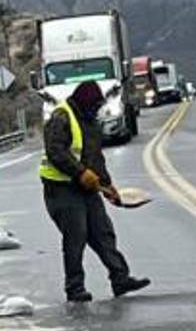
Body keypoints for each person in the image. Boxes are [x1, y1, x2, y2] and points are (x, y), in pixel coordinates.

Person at [41, 80, 151, 303]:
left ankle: (120, 278)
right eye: (93, 106)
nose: (96, 110)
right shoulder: (62, 117)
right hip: (61, 188)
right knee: (76, 237)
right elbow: (56, 152)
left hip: (86, 187)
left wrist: (107, 185)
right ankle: (75, 288)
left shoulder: (90, 121)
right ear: (83, 102)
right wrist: (80, 173)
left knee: (103, 232)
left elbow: (94, 157)